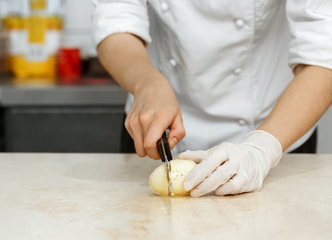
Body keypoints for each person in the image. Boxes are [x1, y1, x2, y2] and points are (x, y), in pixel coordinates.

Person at [92, 1, 332, 197]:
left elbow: (323, 52)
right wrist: (147, 84)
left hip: (275, 129)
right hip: (156, 129)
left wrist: (261, 150)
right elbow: (115, 20)